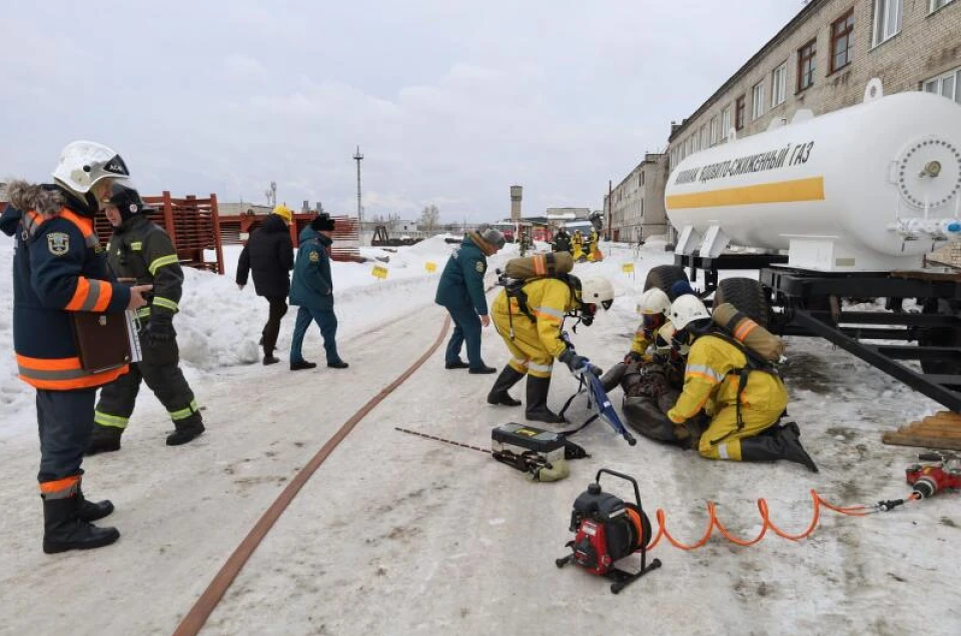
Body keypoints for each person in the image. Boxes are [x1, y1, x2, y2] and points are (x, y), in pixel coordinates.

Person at [0, 141, 151, 553]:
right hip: (61, 352)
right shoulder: (61, 225)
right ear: (81, 180)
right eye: (102, 186)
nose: (107, 195)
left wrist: (108, 288)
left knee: (60, 432)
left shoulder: (47, 215)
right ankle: (61, 528)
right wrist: (121, 299)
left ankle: (71, 502)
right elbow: (56, 287)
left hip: (50, 346)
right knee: (68, 436)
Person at [85, 184, 204, 455]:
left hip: (150, 325)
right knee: (119, 379)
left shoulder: (153, 236)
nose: (109, 215)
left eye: (113, 209)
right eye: (106, 210)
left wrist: (161, 320)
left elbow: (170, 280)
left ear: (129, 208)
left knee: (162, 374)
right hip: (123, 325)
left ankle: (189, 421)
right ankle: (106, 433)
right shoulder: (116, 239)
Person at [665, 295, 818, 471]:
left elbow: (695, 392)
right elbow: (716, 385)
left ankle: (780, 445)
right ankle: (765, 431)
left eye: (677, 329)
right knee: (714, 423)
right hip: (765, 395)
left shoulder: (702, 347)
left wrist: (674, 417)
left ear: (683, 323)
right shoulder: (717, 335)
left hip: (756, 404)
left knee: (708, 446)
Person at [488, 275, 614, 423]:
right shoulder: (560, 293)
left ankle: (498, 393)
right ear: (590, 296)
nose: (592, 312)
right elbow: (547, 331)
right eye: (594, 307)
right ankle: (536, 409)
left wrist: (565, 347)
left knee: (524, 357)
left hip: (506, 309)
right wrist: (567, 356)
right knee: (542, 356)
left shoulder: (568, 291)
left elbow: (549, 323)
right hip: (512, 314)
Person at [435, 226, 505, 374]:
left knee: (462, 326)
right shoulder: (474, 256)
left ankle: (452, 359)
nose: (496, 251)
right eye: (497, 248)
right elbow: (475, 286)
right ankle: (476, 365)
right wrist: (483, 312)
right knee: (473, 326)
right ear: (490, 244)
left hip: (450, 293)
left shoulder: (467, 247)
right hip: (455, 295)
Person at [288, 213, 348, 370]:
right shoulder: (314, 246)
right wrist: (325, 288)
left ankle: (295, 358)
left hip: (306, 294)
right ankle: (332, 358)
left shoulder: (311, 243)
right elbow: (309, 271)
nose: (331, 234)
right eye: (330, 231)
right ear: (322, 231)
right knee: (330, 324)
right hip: (314, 295)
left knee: (300, 327)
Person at [236, 204, 295, 365]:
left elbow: (244, 258)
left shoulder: (255, 233)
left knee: (280, 308)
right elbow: (287, 262)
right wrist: (291, 264)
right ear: (283, 219)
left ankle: (265, 336)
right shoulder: (283, 236)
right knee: (276, 315)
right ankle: (268, 355)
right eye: (287, 222)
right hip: (277, 281)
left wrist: (241, 279)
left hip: (260, 280)